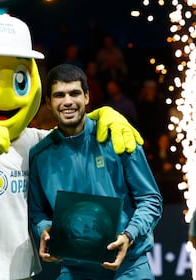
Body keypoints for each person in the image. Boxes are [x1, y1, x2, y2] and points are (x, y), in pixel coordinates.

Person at [0, 11, 143, 280]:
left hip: (23, 272)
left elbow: (72, 132)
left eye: (19, 79)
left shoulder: (28, 140)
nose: (5, 93)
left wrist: (104, 115)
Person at [28, 64, 163, 280]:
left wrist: (129, 235)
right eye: (59, 95)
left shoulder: (118, 138)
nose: (68, 101)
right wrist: (44, 229)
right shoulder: (39, 156)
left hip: (129, 269)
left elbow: (150, 199)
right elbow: (37, 213)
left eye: (74, 93)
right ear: (48, 102)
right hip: (74, 271)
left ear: (87, 97)